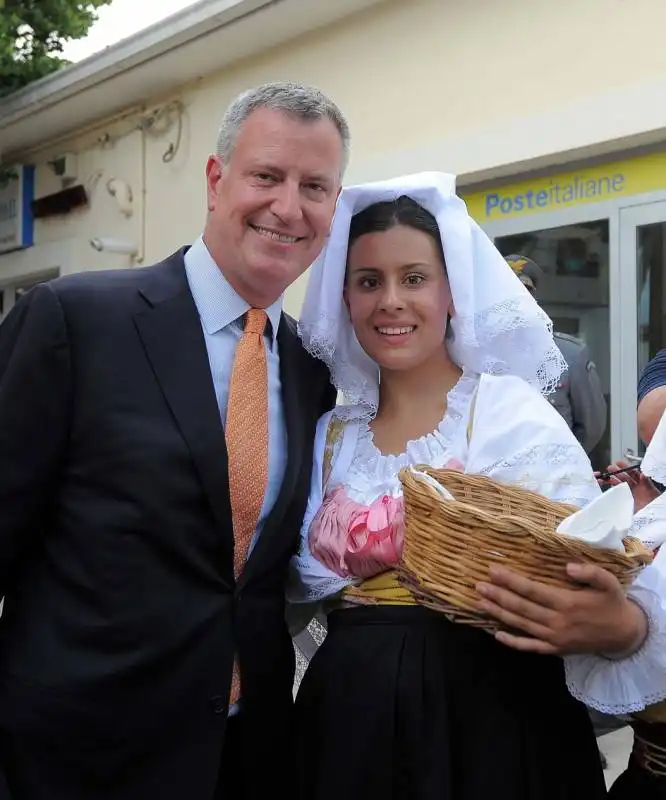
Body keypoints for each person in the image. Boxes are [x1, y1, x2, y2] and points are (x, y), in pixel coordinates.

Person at [0, 82, 346, 800]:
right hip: (73, 762)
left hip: (244, 761)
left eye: (315, 186)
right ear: (217, 182)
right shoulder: (74, 322)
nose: (290, 206)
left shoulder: (314, 373)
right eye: (267, 176)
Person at [288, 172, 666, 800]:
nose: (391, 301)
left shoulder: (508, 413)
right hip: (351, 714)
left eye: (414, 278)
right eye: (368, 281)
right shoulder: (331, 434)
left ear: (451, 292)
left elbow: (579, 563)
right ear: (346, 300)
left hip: (493, 707)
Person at [505, 254, 607, 456]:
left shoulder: (569, 355)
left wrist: (564, 465)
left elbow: (591, 428)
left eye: (522, 294)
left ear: (533, 300)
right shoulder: (473, 355)